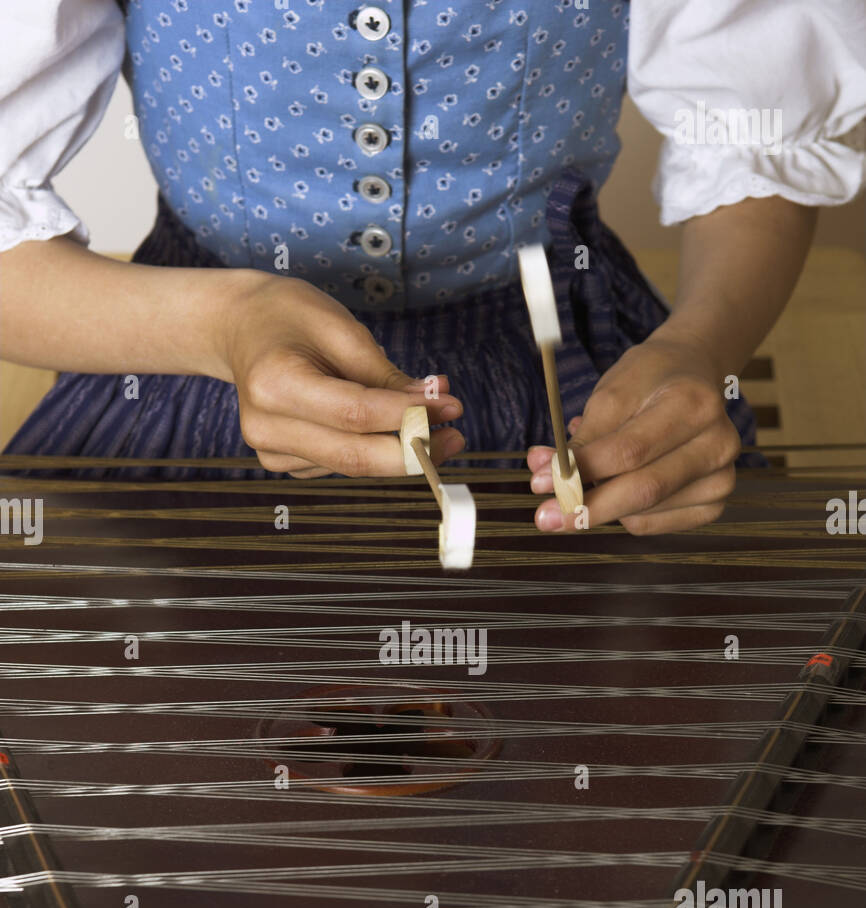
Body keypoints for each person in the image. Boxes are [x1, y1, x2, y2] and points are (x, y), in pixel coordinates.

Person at [1, 0, 863, 534]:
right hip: (186, 365)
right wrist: (226, 326)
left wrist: (699, 351)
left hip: (569, 387)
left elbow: (758, 141)